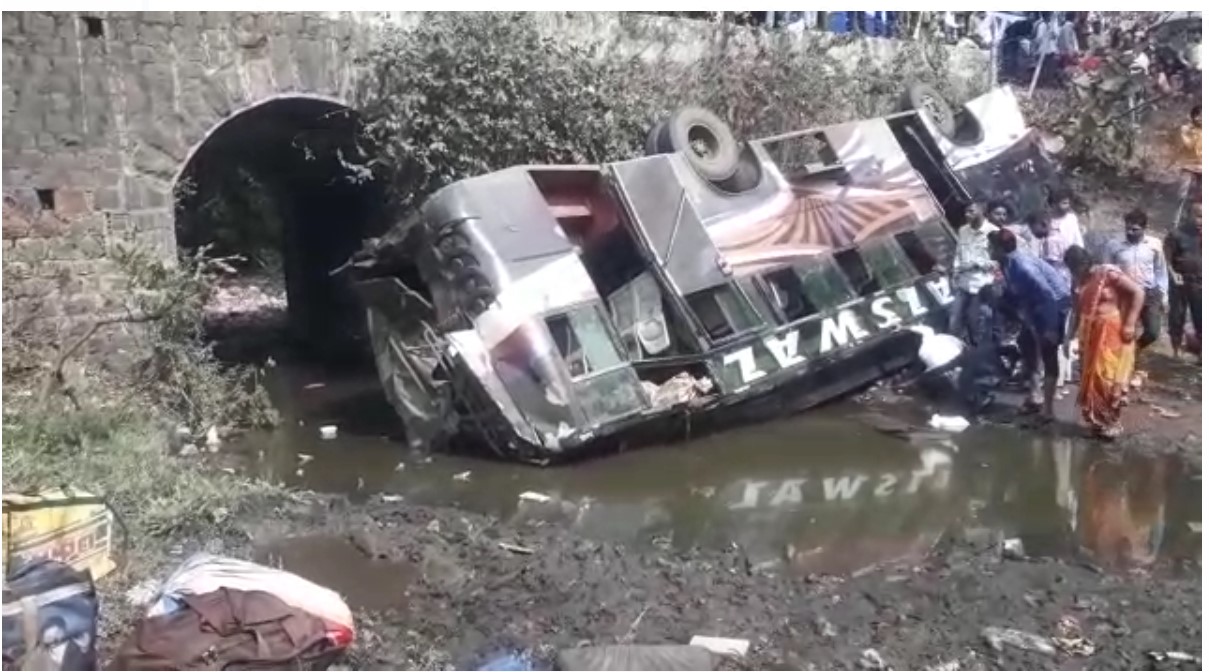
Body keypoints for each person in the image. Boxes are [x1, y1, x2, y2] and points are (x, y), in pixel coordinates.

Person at [1065, 246, 1145, 439]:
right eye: (1072, 268)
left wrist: (1130, 323)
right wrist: (1068, 336)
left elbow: (1138, 292)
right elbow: (1076, 311)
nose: (1075, 272)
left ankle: (1113, 422)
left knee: (1108, 377)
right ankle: (1098, 422)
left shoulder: (1107, 274)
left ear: (1086, 263)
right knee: (1091, 379)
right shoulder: (1078, 281)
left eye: (1077, 267)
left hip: (1111, 332)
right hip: (1089, 334)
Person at [991, 229, 1072, 422]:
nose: (988, 251)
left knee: (1048, 352)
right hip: (1035, 309)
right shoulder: (1007, 263)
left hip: (1054, 307)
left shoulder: (1023, 266)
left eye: (990, 247)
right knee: (1026, 344)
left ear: (999, 249)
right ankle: (1035, 395)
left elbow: (1048, 294)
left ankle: (1048, 409)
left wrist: (1050, 327)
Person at [1105, 208, 1167, 355]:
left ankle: (1134, 351)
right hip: (1125, 293)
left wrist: (1164, 295)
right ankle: (1124, 359)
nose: (1130, 232)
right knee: (1124, 330)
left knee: (1152, 332)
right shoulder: (1114, 245)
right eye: (1127, 228)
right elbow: (1107, 269)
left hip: (1149, 292)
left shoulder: (1154, 244)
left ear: (1144, 228)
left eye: (1135, 229)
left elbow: (1160, 271)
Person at [949, 202, 999, 342]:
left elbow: (997, 262)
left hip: (982, 286)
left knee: (976, 322)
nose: (967, 215)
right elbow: (959, 253)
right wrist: (955, 272)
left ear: (982, 211)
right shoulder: (963, 230)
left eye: (971, 211)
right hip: (963, 283)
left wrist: (978, 264)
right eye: (966, 212)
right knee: (954, 322)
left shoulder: (993, 232)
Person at [1165, 195, 1202, 360]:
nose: (1201, 220)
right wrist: (1173, 274)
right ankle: (1176, 350)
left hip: (1200, 282)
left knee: (1201, 316)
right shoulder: (1177, 234)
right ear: (1189, 215)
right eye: (1198, 216)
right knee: (1176, 316)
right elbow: (1166, 259)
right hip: (1179, 281)